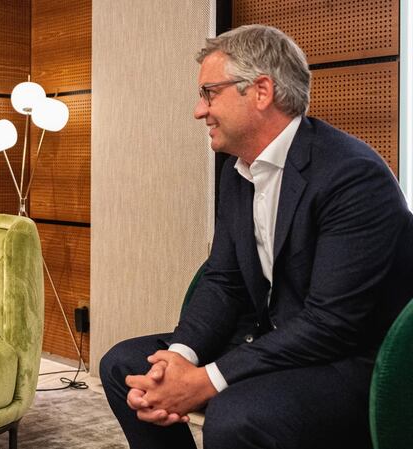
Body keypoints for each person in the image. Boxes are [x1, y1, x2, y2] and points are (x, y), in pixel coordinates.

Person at [100, 25, 413, 449]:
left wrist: (206, 381)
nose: (199, 110)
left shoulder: (352, 176)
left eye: (209, 93)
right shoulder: (237, 170)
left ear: (261, 91)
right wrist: (181, 358)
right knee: (123, 365)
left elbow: (332, 323)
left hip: (350, 361)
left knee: (236, 415)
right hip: (273, 338)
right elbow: (223, 280)